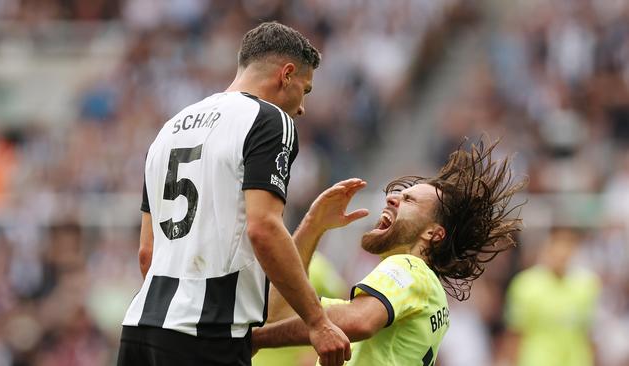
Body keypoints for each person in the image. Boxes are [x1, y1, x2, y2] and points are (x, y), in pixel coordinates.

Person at [118, 21, 351, 366]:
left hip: (140, 329)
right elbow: (264, 227)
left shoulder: (170, 129)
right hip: (206, 334)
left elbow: (146, 253)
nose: (302, 107)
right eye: (306, 89)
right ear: (286, 75)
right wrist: (318, 322)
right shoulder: (270, 120)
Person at [252, 139, 526, 365]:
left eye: (409, 200)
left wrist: (254, 340)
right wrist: (313, 226)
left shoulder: (409, 268)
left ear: (433, 234)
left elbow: (359, 322)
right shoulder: (420, 290)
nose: (391, 197)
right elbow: (278, 313)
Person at [500, 227, 600, 366]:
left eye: (568, 246)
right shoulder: (526, 284)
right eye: (558, 245)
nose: (562, 253)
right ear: (547, 248)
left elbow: (590, 333)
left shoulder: (587, 285)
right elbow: (515, 333)